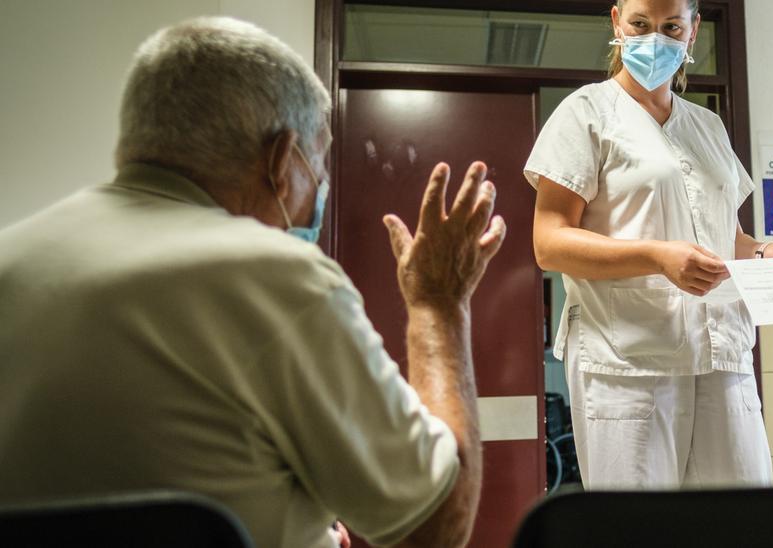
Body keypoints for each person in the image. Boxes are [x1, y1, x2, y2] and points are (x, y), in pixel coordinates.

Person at [0, 17, 506, 548]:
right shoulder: (275, 278)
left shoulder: (11, 261)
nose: (320, 190)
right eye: (319, 167)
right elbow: (434, 524)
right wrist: (438, 304)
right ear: (281, 159)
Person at [525, 0, 773, 490]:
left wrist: (762, 252)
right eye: (640, 24)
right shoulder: (587, 113)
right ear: (617, 22)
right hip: (628, 362)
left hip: (722, 354)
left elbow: (725, 235)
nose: (655, 38)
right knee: (641, 528)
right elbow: (549, 242)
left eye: (671, 26)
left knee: (741, 518)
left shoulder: (707, 126)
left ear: (692, 31)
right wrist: (656, 256)